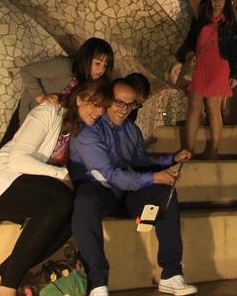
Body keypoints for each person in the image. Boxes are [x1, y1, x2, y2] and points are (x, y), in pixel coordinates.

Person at [0, 80, 112, 296]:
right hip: (3, 186)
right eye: (95, 105)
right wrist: (61, 174)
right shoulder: (48, 113)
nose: (99, 112)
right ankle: (8, 288)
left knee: (76, 214)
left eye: (103, 107)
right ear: (79, 99)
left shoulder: (78, 129)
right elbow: (17, 160)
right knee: (62, 197)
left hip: (39, 195)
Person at [0, 38, 114, 223]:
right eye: (98, 63)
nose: (101, 69)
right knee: (0, 155)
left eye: (105, 65)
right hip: (32, 116)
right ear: (87, 58)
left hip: (54, 127)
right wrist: (40, 97)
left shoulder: (90, 84)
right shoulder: (65, 66)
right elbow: (27, 71)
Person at [70, 78, 197, 296]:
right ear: (108, 101)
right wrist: (154, 177)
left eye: (130, 105)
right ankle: (97, 283)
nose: (125, 110)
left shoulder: (132, 131)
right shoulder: (89, 129)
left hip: (126, 193)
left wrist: (171, 158)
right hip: (99, 191)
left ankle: (171, 274)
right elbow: (110, 174)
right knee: (85, 200)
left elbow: (140, 162)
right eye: (120, 103)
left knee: (164, 193)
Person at [171, 0, 237, 160]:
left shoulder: (230, 24)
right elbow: (189, 42)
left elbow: (235, 51)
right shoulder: (200, 20)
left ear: (225, 1)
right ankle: (188, 149)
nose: (217, 2)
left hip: (219, 67)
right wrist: (187, 53)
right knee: (193, 107)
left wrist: (234, 73)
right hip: (199, 66)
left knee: (213, 109)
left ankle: (214, 150)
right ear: (209, 0)